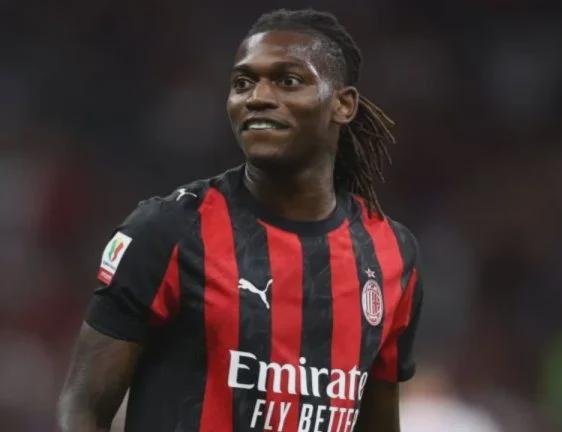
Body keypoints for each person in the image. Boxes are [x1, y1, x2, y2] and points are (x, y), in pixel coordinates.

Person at [57, 8, 424, 432]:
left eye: (288, 80)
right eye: (243, 83)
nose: (257, 97)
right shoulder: (168, 230)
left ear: (343, 104)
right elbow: (82, 409)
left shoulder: (392, 254)